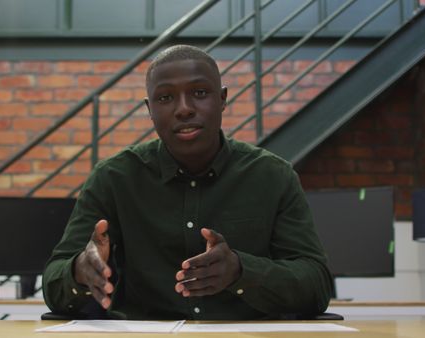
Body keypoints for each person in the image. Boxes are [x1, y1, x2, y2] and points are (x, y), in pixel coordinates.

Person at [42, 44, 333, 320]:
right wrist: (80, 270)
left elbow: (317, 284)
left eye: (200, 92)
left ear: (222, 99)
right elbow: (54, 284)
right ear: (150, 109)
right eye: (165, 98)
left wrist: (242, 271)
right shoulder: (113, 179)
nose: (183, 109)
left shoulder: (273, 176)